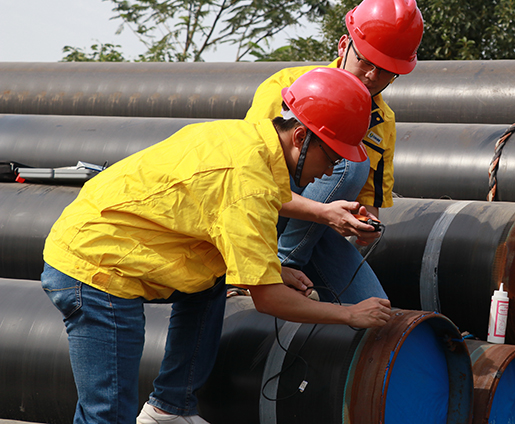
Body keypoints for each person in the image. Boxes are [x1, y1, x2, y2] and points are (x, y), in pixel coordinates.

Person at [40, 67, 392, 424]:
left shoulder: (250, 141)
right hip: (96, 266)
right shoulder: (248, 179)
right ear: (301, 136)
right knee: (109, 413)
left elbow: (236, 212)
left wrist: (272, 268)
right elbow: (268, 299)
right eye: (331, 159)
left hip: (118, 236)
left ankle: (170, 410)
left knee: (211, 279)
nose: (328, 172)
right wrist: (349, 314)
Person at [245, 0, 424, 304]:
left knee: (372, 308)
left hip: (314, 228)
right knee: (350, 158)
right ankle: (281, 266)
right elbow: (247, 184)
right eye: (365, 61)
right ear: (344, 45)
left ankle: (289, 263)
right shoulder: (286, 88)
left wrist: (363, 225)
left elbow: (368, 204)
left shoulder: (381, 122)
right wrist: (323, 212)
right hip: (258, 216)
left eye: (386, 70)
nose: (372, 75)